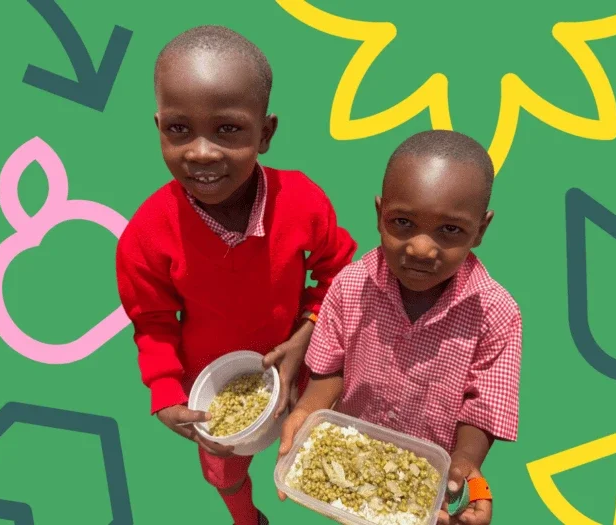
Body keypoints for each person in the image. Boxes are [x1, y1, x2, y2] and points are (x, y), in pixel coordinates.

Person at [115, 25, 357, 525]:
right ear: (158, 125)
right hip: (214, 388)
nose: (201, 153)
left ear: (265, 133)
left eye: (228, 129)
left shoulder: (302, 202)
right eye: (178, 130)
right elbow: (153, 321)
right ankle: (246, 517)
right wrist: (164, 393)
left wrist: (307, 333)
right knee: (224, 470)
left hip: (303, 362)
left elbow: (340, 271)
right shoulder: (144, 236)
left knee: (326, 447)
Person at [277, 130, 522, 525]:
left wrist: (464, 465)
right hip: (351, 464)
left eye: (450, 230)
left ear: (480, 229)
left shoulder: (496, 313)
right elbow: (330, 370)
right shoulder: (349, 286)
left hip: (424, 484)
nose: (421, 248)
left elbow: (484, 408)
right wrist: (307, 409)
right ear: (379, 215)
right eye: (403, 222)